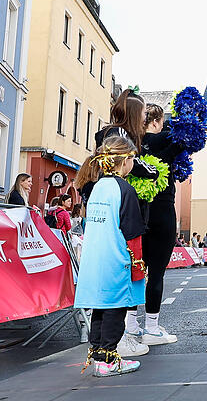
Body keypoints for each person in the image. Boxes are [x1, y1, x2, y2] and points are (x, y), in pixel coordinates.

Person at [73, 135, 145, 377]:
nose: (133, 163)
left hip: (95, 257)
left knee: (100, 307)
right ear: (124, 161)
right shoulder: (125, 189)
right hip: (116, 258)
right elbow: (132, 233)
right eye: (133, 159)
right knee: (117, 307)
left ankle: (99, 356)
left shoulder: (96, 187)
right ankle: (109, 359)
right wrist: (138, 267)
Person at [122, 104, 187, 350]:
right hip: (161, 212)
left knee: (135, 270)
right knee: (156, 273)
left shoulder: (133, 143)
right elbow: (186, 137)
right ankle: (151, 327)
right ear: (158, 122)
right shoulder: (165, 141)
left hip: (136, 212)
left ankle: (130, 326)